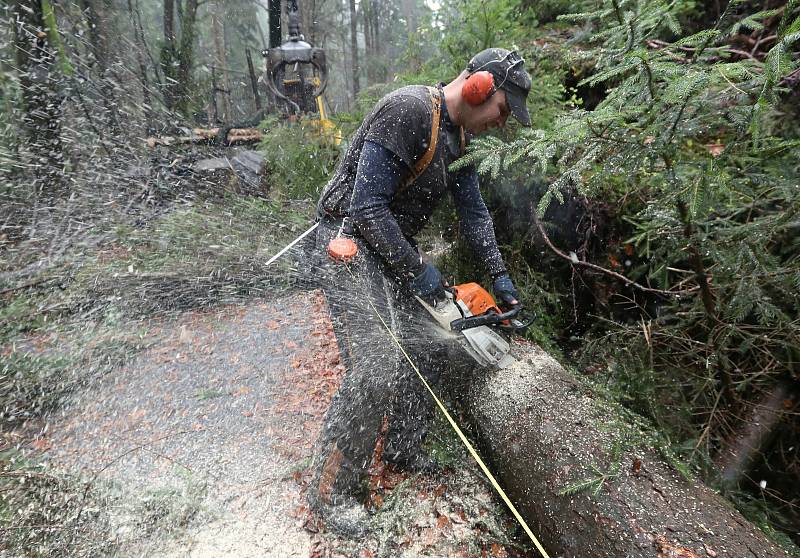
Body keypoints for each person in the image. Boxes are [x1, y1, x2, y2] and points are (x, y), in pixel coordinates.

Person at [307, 48, 532, 537]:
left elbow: (474, 216)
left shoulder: (460, 139)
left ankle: (406, 448)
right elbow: (366, 208)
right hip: (346, 242)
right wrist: (418, 271)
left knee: (435, 336)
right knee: (375, 366)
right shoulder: (410, 110)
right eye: (503, 108)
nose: (502, 120)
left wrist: (500, 278)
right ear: (480, 87)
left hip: (389, 246)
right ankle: (331, 492)